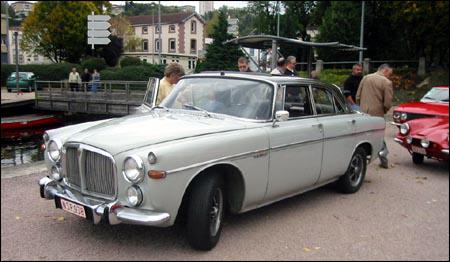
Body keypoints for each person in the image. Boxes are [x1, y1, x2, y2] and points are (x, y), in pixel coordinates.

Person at [356, 63, 394, 169]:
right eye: (389, 74)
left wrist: (362, 106)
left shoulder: (366, 77)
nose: (389, 76)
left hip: (363, 112)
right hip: (377, 114)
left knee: (362, 135)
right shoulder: (387, 82)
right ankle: (383, 156)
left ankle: (360, 158)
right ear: (385, 71)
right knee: (378, 135)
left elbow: (358, 96)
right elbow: (388, 103)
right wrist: (384, 110)